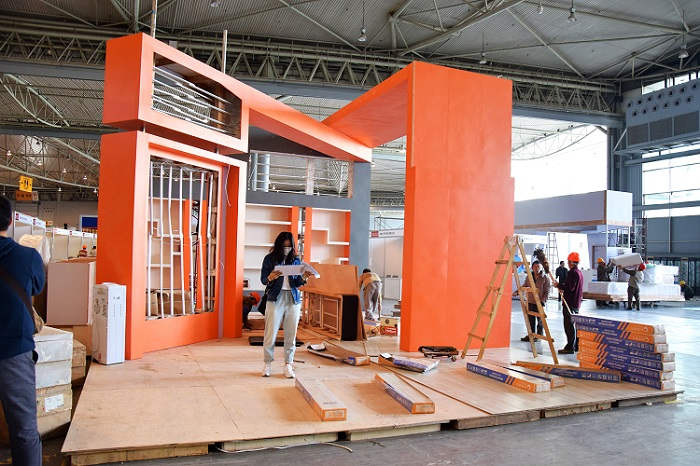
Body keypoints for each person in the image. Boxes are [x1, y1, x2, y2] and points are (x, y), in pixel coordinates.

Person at [0, 195, 46, 466]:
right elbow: (37, 287)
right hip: (15, 352)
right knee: (23, 429)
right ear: (10, 221)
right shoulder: (27, 257)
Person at [260, 232, 312, 379]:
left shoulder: (295, 260)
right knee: (270, 334)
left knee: (291, 335)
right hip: (275, 298)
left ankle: (288, 364)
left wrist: (304, 278)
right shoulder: (269, 259)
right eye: (284, 246)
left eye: (289, 246)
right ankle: (267, 364)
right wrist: (270, 277)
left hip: (293, 299)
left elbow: (296, 283)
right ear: (279, 245)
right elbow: (263, 279)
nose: (287, 248)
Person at [554, 252, 583, 354]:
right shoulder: (579, 272)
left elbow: (570, 288)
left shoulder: (572, 272)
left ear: (571, 262)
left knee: (569, 325)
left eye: (568, 261)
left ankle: (570, 347)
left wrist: (559, 285)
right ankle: (576, 346)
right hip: (576, 302)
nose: (567, 263)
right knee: (574, 324)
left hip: (569, 302)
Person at [520, 260, 550, 342]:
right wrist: (518, 291)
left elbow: (547, 292)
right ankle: (531, 335)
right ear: (532, 268)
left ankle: (539, 335)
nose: (536, 268)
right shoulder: (529, 277)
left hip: (539, 302)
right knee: (530, 320)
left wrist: (542, 301)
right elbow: (525, 285)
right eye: (535, 267)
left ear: (541, 268)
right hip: (530, 301)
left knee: (540, 320)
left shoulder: (545, 278)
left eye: (538, 267)